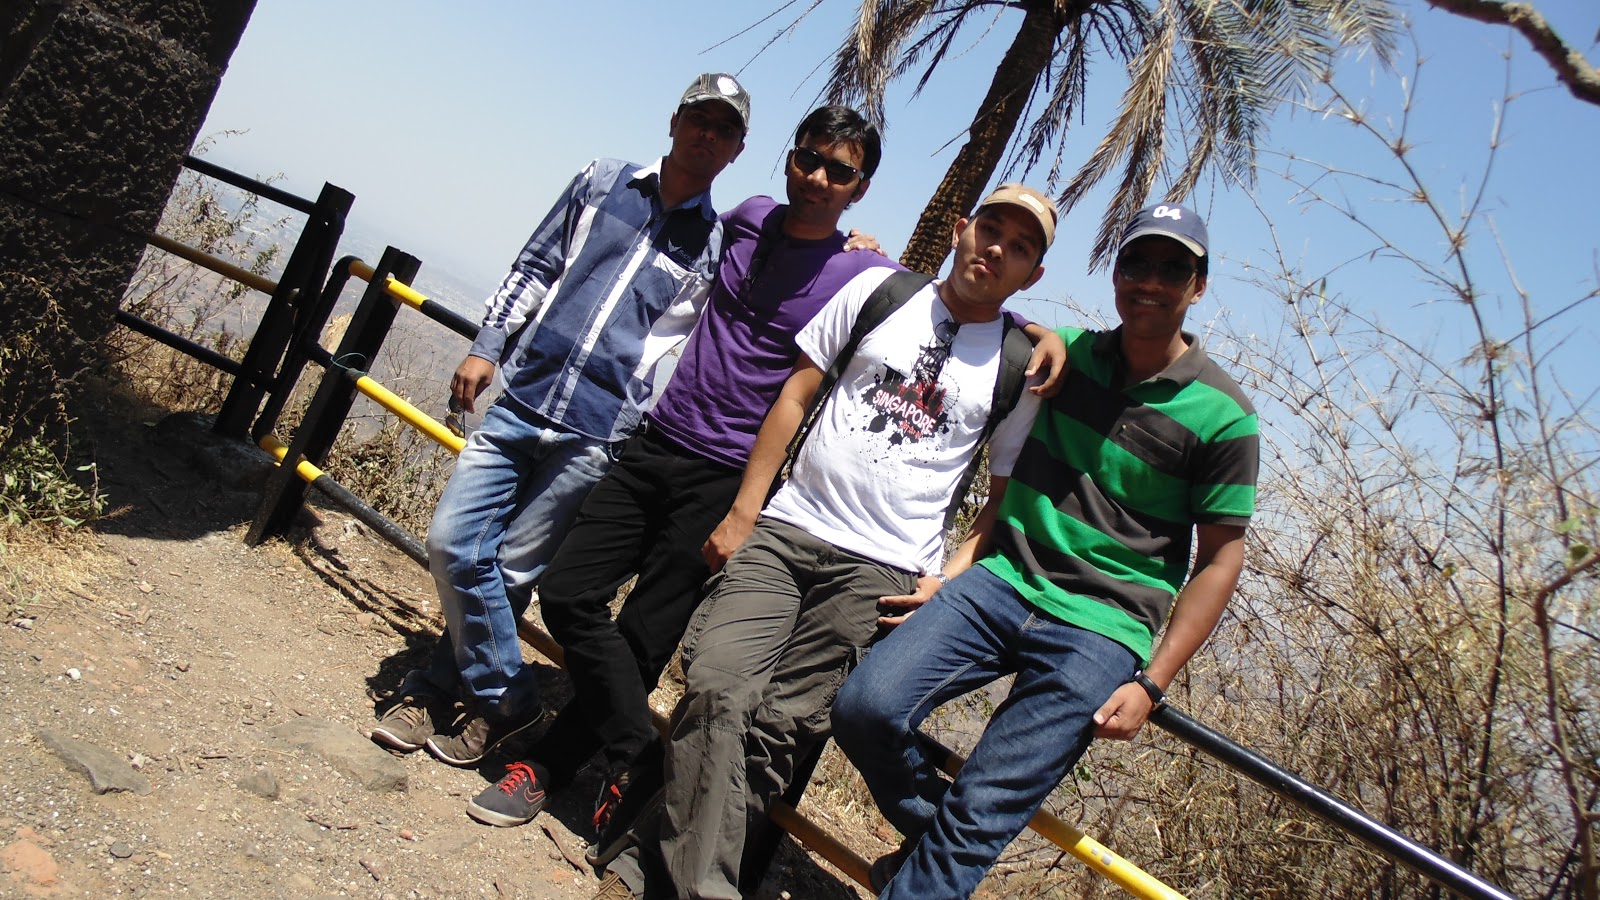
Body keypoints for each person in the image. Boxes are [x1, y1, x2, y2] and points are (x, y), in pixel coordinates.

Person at [463, 111, 1067, 846]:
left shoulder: (865, 272)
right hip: (658, 439)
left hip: (728, 476)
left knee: (648, 636)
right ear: (788, 160)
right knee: (566, 591)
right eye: (808, 159)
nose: (818, 178)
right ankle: (635, 745)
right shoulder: (746, 220)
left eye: (838, 171)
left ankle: (546, 768)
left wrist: (1043, 332)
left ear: (860, 187)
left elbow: (969, 304)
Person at [598, 185, 1062, 900]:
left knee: (781, 729)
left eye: (1021, 246)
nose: (998, 248)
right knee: (718, 684)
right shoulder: (879, 291)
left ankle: (641, 865)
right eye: (991, 228)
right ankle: (706, 890)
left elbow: (998, 504)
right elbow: (795, 393)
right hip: (788, 530)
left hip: (882, 570)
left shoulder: (1018, 365)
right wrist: (746, 509)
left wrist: (948, 578)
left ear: (1030, 275)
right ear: (961, 230)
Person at [831, 203, 1259, 900]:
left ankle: (940, 857)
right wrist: (1034, 330)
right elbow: (989, 320)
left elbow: (1221, 560)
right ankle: (939, 845)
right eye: (1136, 263)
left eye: (1172, 267)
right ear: (1115, 274)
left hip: (1101, 629)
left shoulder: (1225, 416)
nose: (1150, 281)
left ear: (1198, 285)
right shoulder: (1070, 357)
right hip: (1002, 582)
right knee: (865, 707)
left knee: (985, 807)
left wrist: (1153, 682)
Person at [368, 73, 751, 766]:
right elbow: (538, 263)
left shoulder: (715, 245)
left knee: (512, 574)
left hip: (596, 433)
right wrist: (489, 346)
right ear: (674, 119)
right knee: (454, 543)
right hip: (524, 397)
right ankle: (511, 700)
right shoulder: (602, 180)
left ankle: (434, 692)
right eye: (699, 118)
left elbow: (679, 344)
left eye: (723, 129)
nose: (706, 134)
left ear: (736, 150)